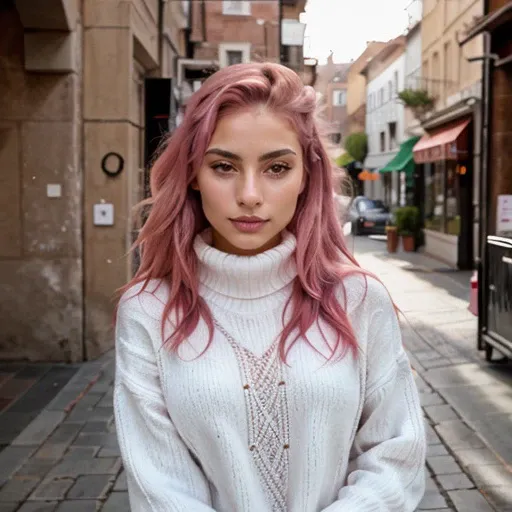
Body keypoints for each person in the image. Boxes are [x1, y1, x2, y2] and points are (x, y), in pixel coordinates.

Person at [114, 62, 426, 512]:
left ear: (306, 176)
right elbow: (161, 486)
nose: (250, 194)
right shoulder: (149, 310)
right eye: (223, 166)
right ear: (192, 176)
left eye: (277, 167)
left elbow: (396, 452)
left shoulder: (357, 298)